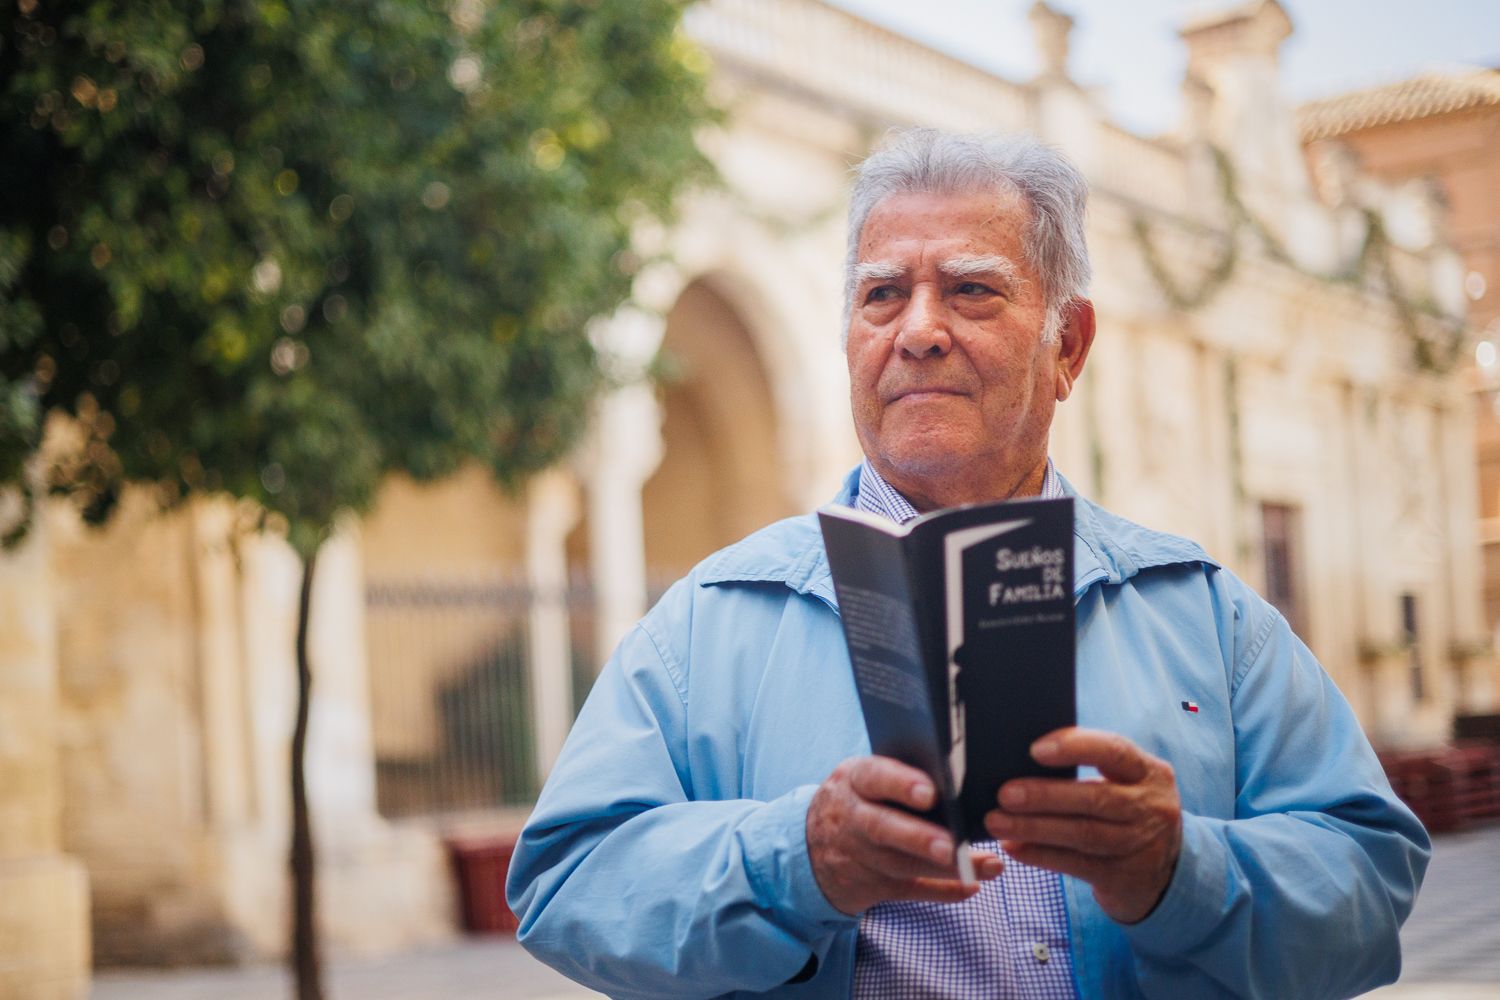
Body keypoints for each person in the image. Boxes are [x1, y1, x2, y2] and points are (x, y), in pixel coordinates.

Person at [506, 128, 1429, 999]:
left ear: (1066, 345)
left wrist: (1181, 869)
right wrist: (798, 859)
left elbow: (1372, 882)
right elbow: (563, 885)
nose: (917, 330)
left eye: (971, 290)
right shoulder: (710, 619)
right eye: (881, 295)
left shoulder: (1202, 614)